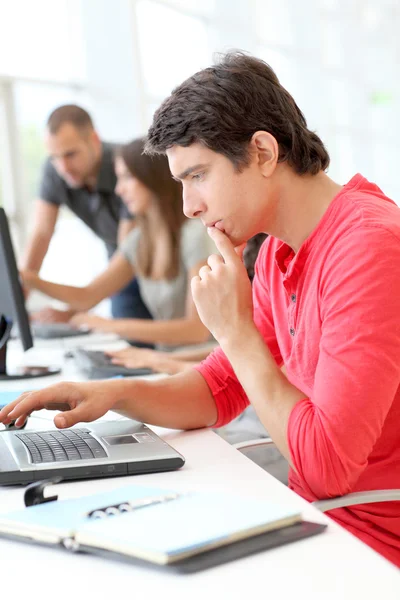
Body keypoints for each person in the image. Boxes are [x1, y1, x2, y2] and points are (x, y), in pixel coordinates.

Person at [2, 53, 400, 567]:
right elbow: (219, 389)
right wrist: (107, 394)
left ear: (261, 152)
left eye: (198, 176)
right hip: (320, 517)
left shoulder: (367, 247)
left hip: (366, 544)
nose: (189, 206)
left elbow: (327, 466)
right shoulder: (280, 249)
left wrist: (234, 331)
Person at [21, 138, 211, 348]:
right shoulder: (138, 241)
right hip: (164, 360)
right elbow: (88, 295)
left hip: (200, 363)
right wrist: (27, 278)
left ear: (153, 179)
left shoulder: (195, 235)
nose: (119, 190)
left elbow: (197, 330)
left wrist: (110, 325)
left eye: (127, 178)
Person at [22, 104, 150, 322]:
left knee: (133, 322)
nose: (63, 167)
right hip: (120, 262)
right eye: (54, 156)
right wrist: (19, 299)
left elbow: (125, 249)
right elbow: (42, 233)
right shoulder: (55, 171)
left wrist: (74, 311)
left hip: (144, 260)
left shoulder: (125, 167)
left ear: (94, 139)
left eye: (70, 154)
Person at [105, 233, 267, 373]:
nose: (190, 210)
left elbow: (262, 367)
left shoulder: (195, 234)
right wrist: (166, 359)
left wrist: (170, 364)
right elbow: (242, 351)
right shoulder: (251, 248)